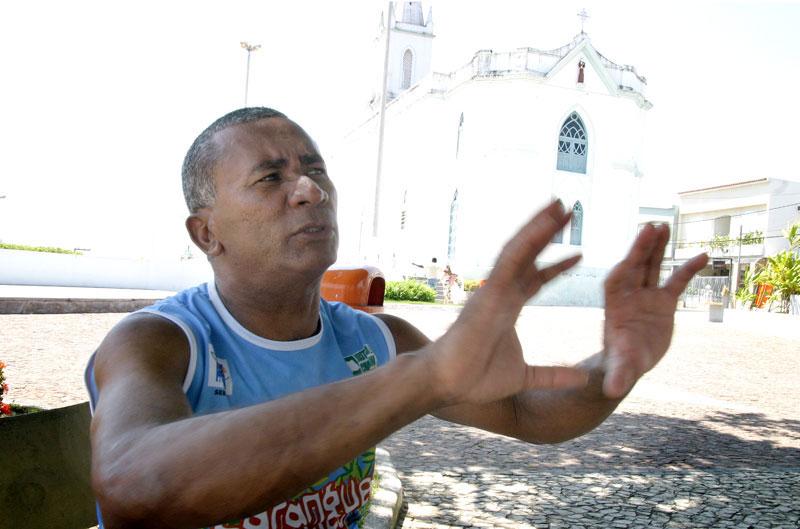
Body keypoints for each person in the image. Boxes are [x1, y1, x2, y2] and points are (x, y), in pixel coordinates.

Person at [85, 107, 708, 529]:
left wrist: (616, 364)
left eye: (315, 169)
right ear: (206, 232)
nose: (310, 190)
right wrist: (425, 377)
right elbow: (133, 486)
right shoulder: (159, 341)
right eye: (271, 177)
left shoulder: (376, 337)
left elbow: (527, 414)